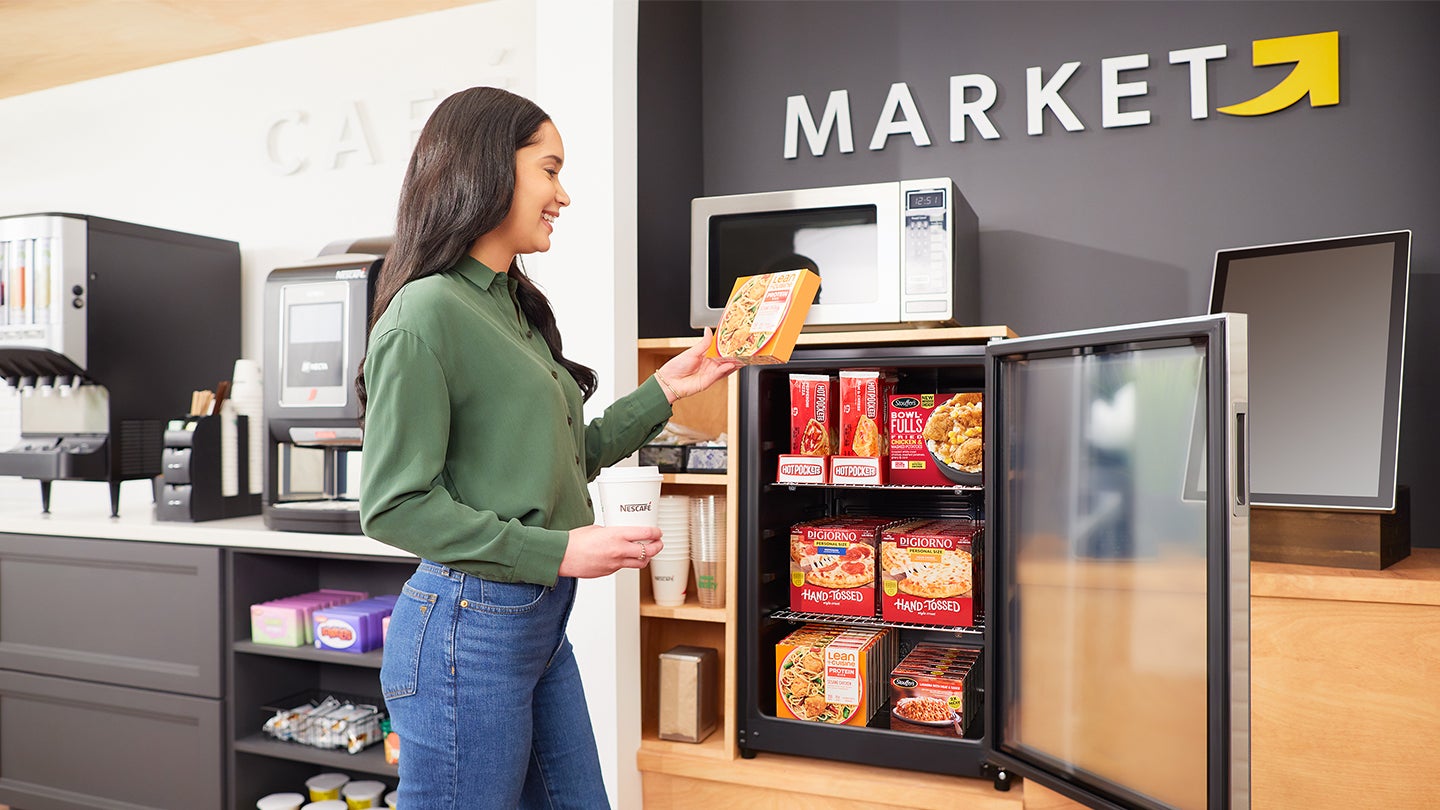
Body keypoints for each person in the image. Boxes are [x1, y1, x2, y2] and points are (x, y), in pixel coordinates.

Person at [356, 86, 740, 809]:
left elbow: (560, 454)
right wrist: (558, 551)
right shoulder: (426, 312)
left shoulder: (509, 303)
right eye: (551, 170)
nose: (563, 195)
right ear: (487, 169)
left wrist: (666, 390)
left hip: (535, 627)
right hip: (465, 633)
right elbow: (394, 506)